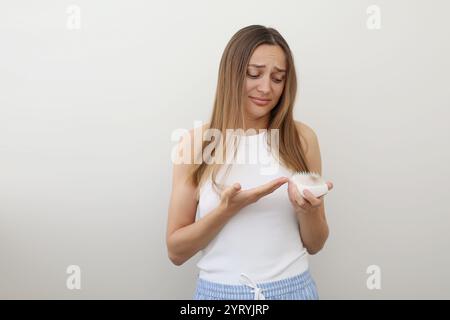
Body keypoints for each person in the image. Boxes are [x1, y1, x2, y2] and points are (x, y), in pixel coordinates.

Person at [166, 25, 334, 300]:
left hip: (294, 291)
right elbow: (176, 251)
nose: (266, 88)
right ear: (231, 74)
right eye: (253, 74)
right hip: (219, 296)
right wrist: (227, 210)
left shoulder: (302, 139)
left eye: (278, 78)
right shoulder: (196, 144)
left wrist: (308, 211)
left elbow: (316, 244)